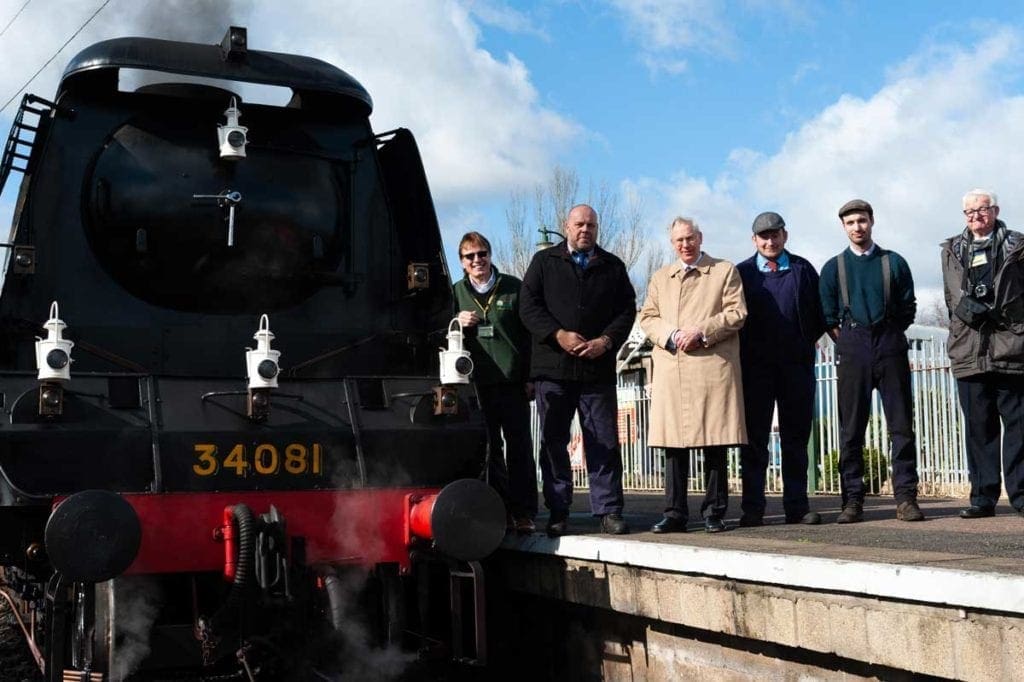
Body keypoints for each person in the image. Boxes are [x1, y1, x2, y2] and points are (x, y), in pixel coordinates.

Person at [519, 204, 637, 536]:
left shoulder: (613, 266)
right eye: (579, 224)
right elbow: (528, 307)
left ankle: (609, 510)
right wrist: (557, 335)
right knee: (554, 441)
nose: (585, 230)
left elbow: (627, 310)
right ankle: (558, 511)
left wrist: (606, 340)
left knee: (603, 440)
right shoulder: (544, 262)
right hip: (553, 369)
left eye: (591, 225)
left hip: (595, 370)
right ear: (567, 227)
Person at [819, 199, 924, 523]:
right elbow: (827, 314)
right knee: (851, 429)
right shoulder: (833, 268)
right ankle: (852, 501)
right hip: (853, 346)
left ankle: (906, 498)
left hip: (889, 343)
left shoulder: (894, 262)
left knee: (901, 426)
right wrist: (850, 339)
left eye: (861, 221)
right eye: (850, 223)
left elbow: (908, 305)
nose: (857, 227)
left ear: (872, 221)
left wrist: (890, 332)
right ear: (843, 227)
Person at [640, 217, 747, 534]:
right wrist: (672, 334)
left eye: (690, 238)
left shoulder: (724, 270)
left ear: (700, 238)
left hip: (712, 365)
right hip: (674, 368)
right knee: (673, 445)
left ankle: (714, 512)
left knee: (715, 441)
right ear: (672, 243)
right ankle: (674, 513)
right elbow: (648, 316)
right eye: (678, 240)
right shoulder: (661, 277)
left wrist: (701, 331)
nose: (685, 245)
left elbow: (736, 311)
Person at [736, 212, 827, 526]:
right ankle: (752, 510)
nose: (770, 241)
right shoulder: (741, 273)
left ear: (784, 236)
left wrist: (801, 343)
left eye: (775, 235)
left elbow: (819, 314)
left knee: (795, 440)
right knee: (754, 442)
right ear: (754, 240)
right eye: (764, 236)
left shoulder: (803, 270)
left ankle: (797, 507)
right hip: (755, 370)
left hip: (796, 368)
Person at [940, 189, 1024, 519]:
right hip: (968, 350)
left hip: (1011, 348)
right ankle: (982, 498)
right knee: (979, 429)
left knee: (1018, 428)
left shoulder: (1017, 245)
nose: (976, 216)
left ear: (996, 210)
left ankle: (1020, 495)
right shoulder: (952, 249)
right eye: (969, 212)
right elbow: (951, 296)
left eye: (982, 209)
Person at [452, 231, 538, 533]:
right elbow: (442, 336)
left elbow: (531, 337)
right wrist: (456, 322)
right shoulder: (456, 294)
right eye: (470, 256)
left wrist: (531, 378)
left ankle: (524, 511)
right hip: (476, 386)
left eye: (482, 254)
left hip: (512, 383)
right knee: (489, 449)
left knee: (520, 448)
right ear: (462, 263)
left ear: (490, 255)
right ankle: (497, 510)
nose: (477, 260)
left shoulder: (514, 288)